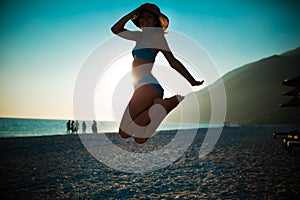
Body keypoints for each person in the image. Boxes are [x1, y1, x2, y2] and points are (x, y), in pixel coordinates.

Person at [111, 3, 204, 144]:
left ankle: (165, 105)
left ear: (156, 21)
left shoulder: (157, 38)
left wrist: (191, 80)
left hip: (148, 85)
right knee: (138, 138)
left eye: (149, 17)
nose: (145, 19)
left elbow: (172, 61)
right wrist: (133, 13)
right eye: (142, 17)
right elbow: (115, 29)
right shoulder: (139, 36)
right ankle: (161, 107)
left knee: (125, 132)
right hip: (140, 85)